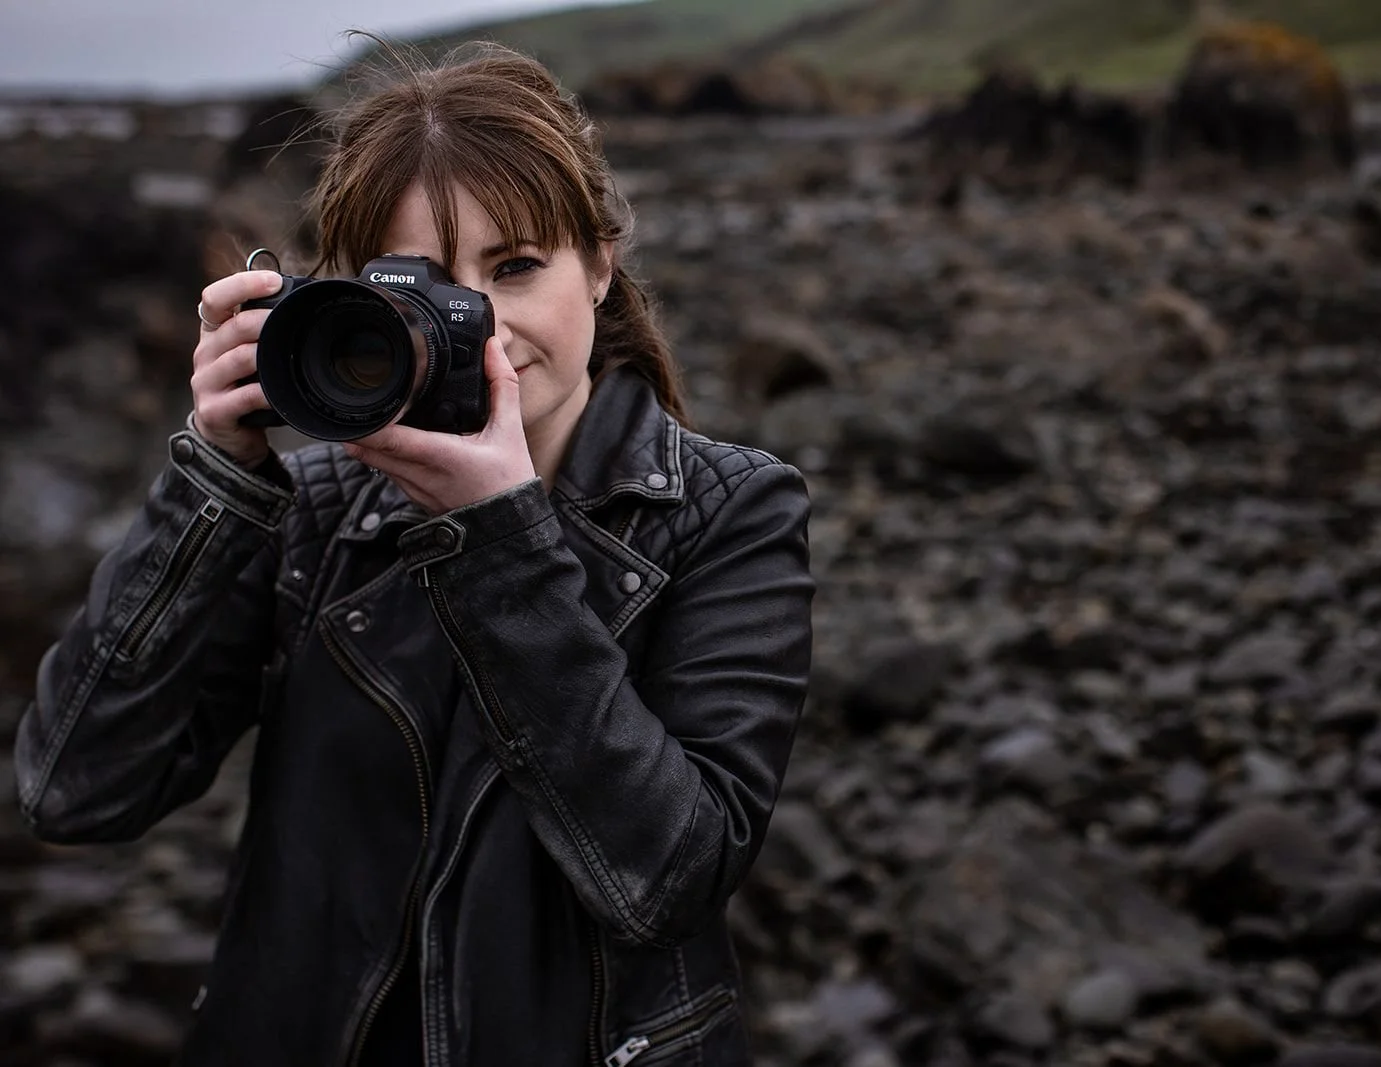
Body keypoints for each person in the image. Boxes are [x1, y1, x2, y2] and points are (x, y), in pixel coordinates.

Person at [14, 41, 813, 1067]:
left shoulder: (728, 511)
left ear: (601, 266)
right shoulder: (316, 512)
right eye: (425, 289)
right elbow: (77, 790)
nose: (481, 324)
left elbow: (662, 876)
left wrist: (501, 535)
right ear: (352, 301)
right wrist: (220, 478)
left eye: (516, 267)